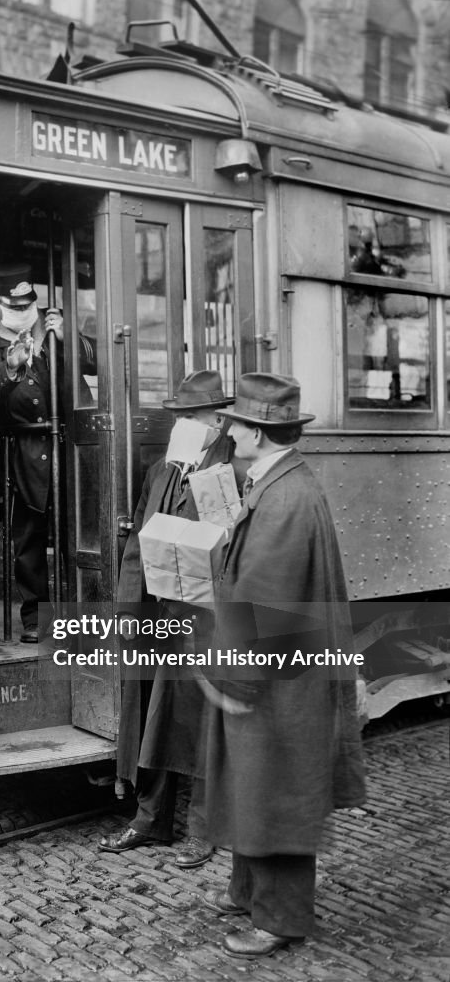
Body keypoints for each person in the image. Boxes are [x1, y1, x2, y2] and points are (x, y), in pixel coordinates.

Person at [201, 372, 366, 959]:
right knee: (260, 784)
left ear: (260, 433)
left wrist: (235, 679)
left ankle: (279, 919)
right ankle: (249, 891)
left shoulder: (283, 496)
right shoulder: (281, 483)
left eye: (235, 422)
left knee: (277, 790)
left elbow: (265, 601)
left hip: (274, 678)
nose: (227, 429)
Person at [99, 370, 242, 866]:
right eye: (178, 414)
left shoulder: (233, 471)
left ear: (218, 419)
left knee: (202, 718)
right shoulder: (161, 469)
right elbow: (138, 541)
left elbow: (238, 548)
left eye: (190, 415)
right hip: (155, 612)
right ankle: (149, 819)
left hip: (205, 615)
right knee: (152, 716)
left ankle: (206, 827)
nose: (180, 422)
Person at [0, 262, 95, 642]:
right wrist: (9, 369)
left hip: (72, 447)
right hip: (26, 451)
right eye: (16, 307)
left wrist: (68, 340)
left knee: (77, 536)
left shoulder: (53, 325)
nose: (25, 313)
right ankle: (35, 619)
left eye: (29, 306)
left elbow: (95, 363)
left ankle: (86, 616)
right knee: (28, 540)